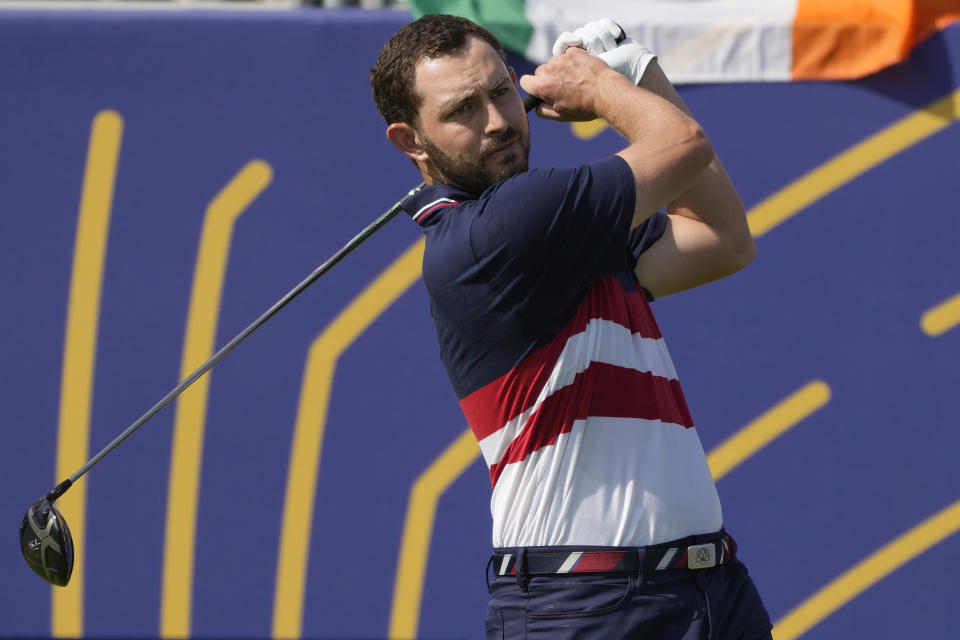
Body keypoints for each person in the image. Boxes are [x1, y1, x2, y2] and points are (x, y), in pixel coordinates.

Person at [370, 13, 772, 639]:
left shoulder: (558, 234)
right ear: (410, 141)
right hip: (587, 606)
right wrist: (605, 84)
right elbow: (684, 143)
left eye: (502, 90)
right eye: (462, 111)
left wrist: (634, 70)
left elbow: (722, 241)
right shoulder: (505, 227)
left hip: (709, 588)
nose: (499, 121)